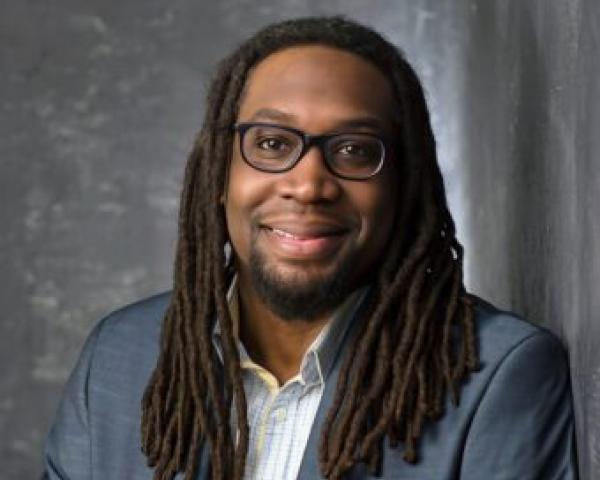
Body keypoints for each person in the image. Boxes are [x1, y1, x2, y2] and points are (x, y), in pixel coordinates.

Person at [42, 16, 578, 480]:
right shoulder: (117, 359)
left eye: (354, 150)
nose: (309, 184)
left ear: (403, 186)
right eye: (272, 144)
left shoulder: (498, 377)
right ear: (218, 174)